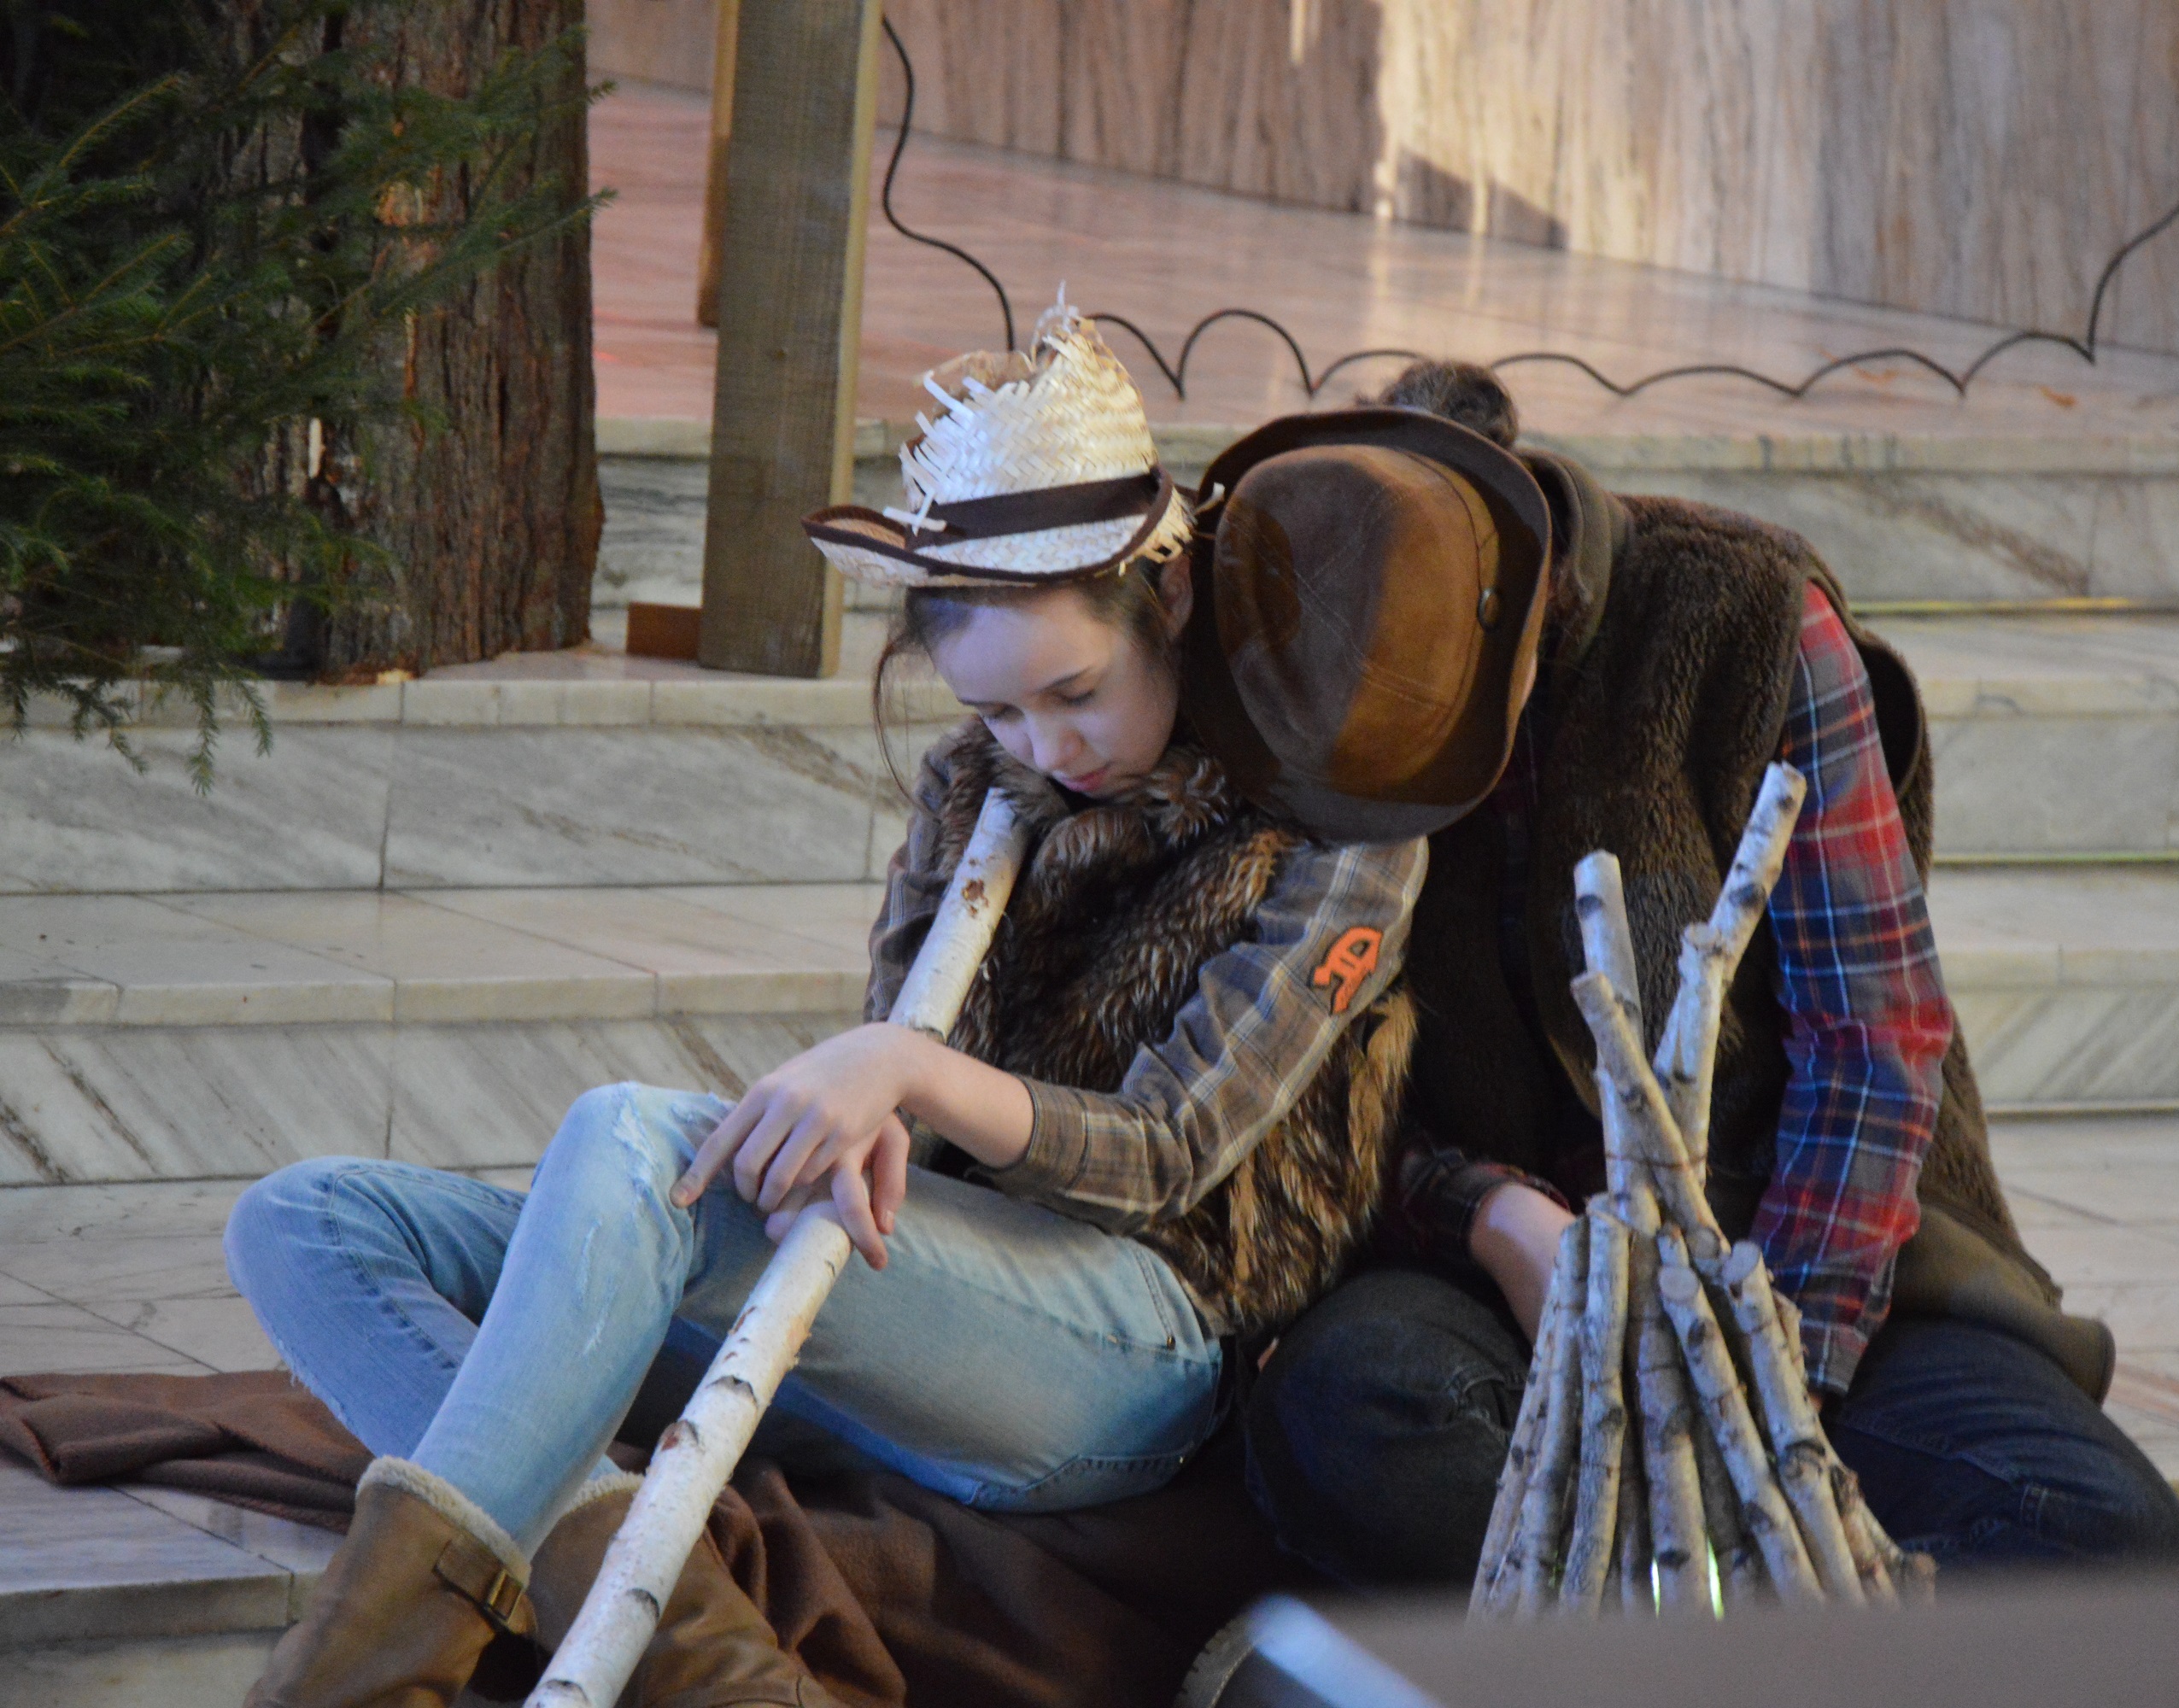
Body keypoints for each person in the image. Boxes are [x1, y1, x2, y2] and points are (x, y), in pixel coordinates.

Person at [218, 307, 1539, 1708]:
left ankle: (347, 1685)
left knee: (630, 1136)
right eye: (1002, 714)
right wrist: (874, 1105)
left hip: (1136, 1349)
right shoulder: (981, 791)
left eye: (1074, 693)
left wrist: (902, 1071)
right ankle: (688, 1648)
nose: (1048, 747)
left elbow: (1169, 1153)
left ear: (1169, 610)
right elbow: (894, 1118)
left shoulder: (1335, 828)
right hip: (921, 1295)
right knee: (306, 1219)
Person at [1239, 361, 2179, 1588]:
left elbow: (1873, 1042)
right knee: (1346, 1417)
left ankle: (1694, 1643)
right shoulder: (1299, 653)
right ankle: (1713, 1639)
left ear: (1525, 592)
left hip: (1806, 1263)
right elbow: (1306, 1093)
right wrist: (1490, 1215)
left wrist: (1769, 1373)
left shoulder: (1749, 616)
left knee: (2109, 1542)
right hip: (1498, 1282)